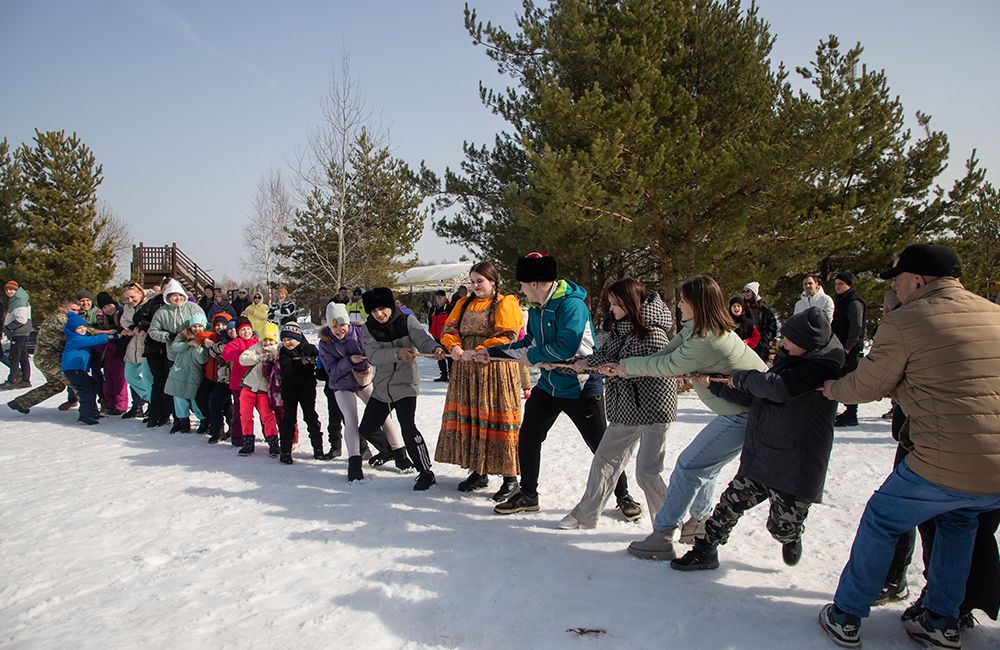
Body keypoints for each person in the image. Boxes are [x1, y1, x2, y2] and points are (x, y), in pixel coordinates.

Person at [817, 243, 1000, 650]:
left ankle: (846, 614)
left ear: (918, 281)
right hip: (994, 474)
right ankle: (941, 620)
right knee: (959, 522)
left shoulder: (907, 320)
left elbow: (868, 385)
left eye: (897, 281)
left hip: (942, 461)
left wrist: (832, 388)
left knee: (883, 518)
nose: (895, 291)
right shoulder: (994, 313)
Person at [599, 274, 766, 560]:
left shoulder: (706, 339)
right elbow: (666, 353)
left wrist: (626, 367)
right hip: (741, 411)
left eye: (684, 300)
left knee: (690, 466)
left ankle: (663, 534)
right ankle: (698, 523)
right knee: (705, 466)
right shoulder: (694, 329)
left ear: (698, 303)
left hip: (749, 414)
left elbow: (667, 365)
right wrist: (623, 366)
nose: (679, 304)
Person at [669, 307, 844, 571]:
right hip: (763, 451)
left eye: (788, 340)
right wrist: (715, 385)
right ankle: (705, 550)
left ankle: (791, 536)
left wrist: (742, 378)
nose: (781, 343)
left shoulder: (820, 369)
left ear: (808, 344)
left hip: (793, 464)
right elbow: (757, 395)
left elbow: (774, 388)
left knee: (781, 527)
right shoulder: (792, 358)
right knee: (729, 505)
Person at [484, 253, 641, 518]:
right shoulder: (536, 309)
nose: (520, 290)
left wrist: (533, 357)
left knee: (601, 446)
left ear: (535, 283)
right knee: (528, 437)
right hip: (549, 387)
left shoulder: (572, 306)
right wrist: (491, 353)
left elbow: (565, 346)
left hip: (582, 388)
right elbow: (529, 344)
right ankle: (528, 495)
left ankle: (623, 495)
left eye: (522, 284)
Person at [558, 278, 676, 529]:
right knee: (604, 460)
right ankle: (585, 515)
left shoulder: (653, 332)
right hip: (627, 407)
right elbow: (607, 356)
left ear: (628, 303)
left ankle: (667, 523)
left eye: (615, 303)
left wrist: (619, 370)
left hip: (655, 409)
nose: (611, 308)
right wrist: (579, 364)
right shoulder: (621, 328)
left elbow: (649, 366)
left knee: (647, 472)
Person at [435, 262, 523, 501]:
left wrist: (483, 349)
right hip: (467, 369)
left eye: (480, 281)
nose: (475, 286)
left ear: (493, 281)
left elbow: (508, 335)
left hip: (495, 369)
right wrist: (454, 347)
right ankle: (479, 470)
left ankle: (510, 478)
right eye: (472, 282)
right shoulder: (463, 304)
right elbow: (449, 329)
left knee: (497, 417)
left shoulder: (506, 303)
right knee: (474, 417)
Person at [358, 287, 446, 490]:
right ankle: (389, 451)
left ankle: (425, 471)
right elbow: (373, 356)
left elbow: (422, 339)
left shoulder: (407, 321)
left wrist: (435, 349)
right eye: (374, 311)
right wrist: (398, 353)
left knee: (408, 427)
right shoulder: (368, 329)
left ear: (390, 305)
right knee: (367, 428)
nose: (379, 314)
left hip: (406, 384)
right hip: (382, 387)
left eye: (382, 308)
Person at [7, 296, 79, 414]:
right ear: (63, 307)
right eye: (73, 310)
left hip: (44, 359)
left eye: (77, 311)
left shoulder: (61, 317)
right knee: (75, 381)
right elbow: (80, 332)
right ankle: (89, 411)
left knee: (55, 385)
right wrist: (104, 334)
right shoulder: (60, 319)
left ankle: (21, 402)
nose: (76, 313)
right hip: (49, 360)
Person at [148, 279, 203, 420]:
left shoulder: (193, 308)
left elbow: (204, 325)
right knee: (177, 388)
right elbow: (153, 331)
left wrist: (195, 337)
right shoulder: (162, 312)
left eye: (179, 295)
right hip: (175, 354)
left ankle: (202, 418)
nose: (177, 298)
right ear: (167, 297)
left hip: (194, 355)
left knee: (196, 387)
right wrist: (168, 336)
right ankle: (181, 419)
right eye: (173, 296)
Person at [274, 322, 324, 464]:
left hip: (307, 390)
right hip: (289, 391)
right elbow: (287, 369)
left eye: (290, 339)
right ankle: (285, 450)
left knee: (311, 417)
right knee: (288, 420)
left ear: (298, 336)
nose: (287, 343)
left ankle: (318, 448)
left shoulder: (309, 348)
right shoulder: (284, 352)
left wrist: (312, 361)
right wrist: (302, 363)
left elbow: (320, 361)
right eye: (284, 340)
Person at [62, 311, 120, 425]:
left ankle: (91, 411)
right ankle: (86, 415)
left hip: (78, 370)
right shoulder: (75, 339)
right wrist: (110, 336)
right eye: (79, 328)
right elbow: (92, 340)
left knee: (93, 385)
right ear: (72, 329)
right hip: (73, 370)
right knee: (86, 390)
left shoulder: (80, 337)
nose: (83, 329)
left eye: (84, 327)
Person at [236, 322, 281, 457]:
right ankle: (248, 441)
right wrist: (258, 358)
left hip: (264, 390)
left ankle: (273, 441)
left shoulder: (277, 352)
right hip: (249, 386)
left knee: (267, 415)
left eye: (270, 339)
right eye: (265, 339)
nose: (267, 342)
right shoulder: (257, 348)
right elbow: (243, 358)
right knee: (245, 415)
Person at [132, 280, 170, 427]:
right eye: (165, 289)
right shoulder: (154, 302)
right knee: (157, 380)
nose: (167, 292)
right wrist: (150, 327)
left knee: (167, 381)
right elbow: (138, 317)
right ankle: (154, 413)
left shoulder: (176, 304)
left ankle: (166, 413)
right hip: (154, 347)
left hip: (169, 347)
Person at [831, 272, 866, 427]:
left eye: (841, 283)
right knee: (840, 379)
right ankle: (846, 410)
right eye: (836, 283)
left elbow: (856, 327)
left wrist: (848, 347)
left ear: (849, 284)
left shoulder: (854, 302)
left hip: (849, 349)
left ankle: (852, 413)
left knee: (849, 380)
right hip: (839, 346)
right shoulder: (841, 300)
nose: (838, 286)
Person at [164, 312, 209, 433]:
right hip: (179, 371)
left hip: (194, 373)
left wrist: (197, 346)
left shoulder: (206, 339)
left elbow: (202, 359)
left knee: (195, 399)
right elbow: (175, 347)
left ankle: (203, 420)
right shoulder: (183, 336)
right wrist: (188, 343)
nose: (197, 329)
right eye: (194, 326)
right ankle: (183, 421)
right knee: (179, 398)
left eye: (200, 326)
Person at [120, 284, 155, 419]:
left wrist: (141, 327)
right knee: (129, 375)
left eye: (132, 297)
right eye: (127, 298)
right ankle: (148, 397)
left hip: (145, 344)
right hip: (132, 345)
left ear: (140, 293)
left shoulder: (149, 303)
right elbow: (123, 320)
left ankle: (154, 404)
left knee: (147, 377)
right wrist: (131, 326)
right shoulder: (127, 308)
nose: (130, 300)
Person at [95, 292, 128, 415]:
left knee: (119, 381)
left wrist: (116, 336)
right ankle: (110, 404)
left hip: (119, 354)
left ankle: (120, 405)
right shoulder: (102, 320)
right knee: (108, 381)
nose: (108, 309)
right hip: (108, 355)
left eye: (110, 305)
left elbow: (124, 333)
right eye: (104, 308)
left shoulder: (121, 315)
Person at [2, 280, 34, 389]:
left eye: (11, 289)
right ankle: (25, 380)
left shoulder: (19, 300)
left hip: (19, 332)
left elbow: (21, 319)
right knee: (23, 356)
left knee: (14, 357)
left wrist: (8, 327)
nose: (8, 291)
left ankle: (12, 380)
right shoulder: (16, 299)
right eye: (6, 289)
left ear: (16, 289)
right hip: (21, 332)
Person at [741, 281, 777, 363]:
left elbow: (771, 328)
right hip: (745, 346)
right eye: (743, 291)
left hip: (760, 348)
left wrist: (763, 342)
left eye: (748, 291)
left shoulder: (765, 310)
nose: (745, 294)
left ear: (754, 292)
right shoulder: (742, 308)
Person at [427, 290, 452, 382]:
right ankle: (443, 375)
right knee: (439, 355)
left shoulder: (449, 308)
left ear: (445, 297)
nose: (439, 298)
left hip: (447, 336)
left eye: (441, 297)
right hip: (436, 336)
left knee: (449, 356)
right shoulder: (433, 309)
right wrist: (431, 329)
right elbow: (430, 319)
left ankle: (451, 375)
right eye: (437, 297)